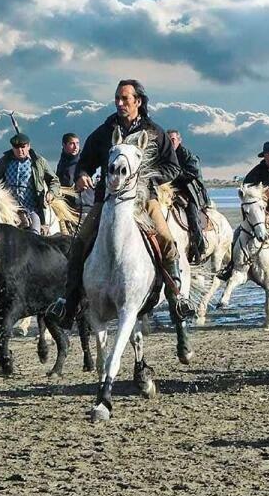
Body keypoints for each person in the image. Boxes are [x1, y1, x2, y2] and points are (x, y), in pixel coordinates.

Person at [48, 79, 194, 327]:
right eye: (117, 98)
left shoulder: (155, 132)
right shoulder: (105, 132)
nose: (119, 103)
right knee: (79, 242)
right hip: (106, 200)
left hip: (145, 200)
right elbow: (85, 162)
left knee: (168, 241)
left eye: (124, 98)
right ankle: (68, 302)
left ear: (137, 101)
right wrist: (82, 174)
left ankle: (176, 299)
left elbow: (172, 167)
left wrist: (146, 178)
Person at [218, 141, 269, 287]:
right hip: (257, 214)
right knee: (237, 234)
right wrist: (258, 196)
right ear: (265, 156)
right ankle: (231, 267)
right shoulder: (256, 171)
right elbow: (245, 188)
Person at [0, 132, 60, 233]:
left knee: (34, 234)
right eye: (16, 147)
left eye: (23, 147)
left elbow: (54, 180)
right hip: (9, 210)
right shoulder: (5, 161)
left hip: (31, 209)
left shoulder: (38, 162)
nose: (20, 150)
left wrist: (51, 193)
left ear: (28, 146)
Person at [168, 129, 210, 263]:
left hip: (189, 191)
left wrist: (174, 174)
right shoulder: (164, 155)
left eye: (173, 140)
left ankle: (200, 247)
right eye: (168, 140)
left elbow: (193, 172)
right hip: (169, 190)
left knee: (192, 215)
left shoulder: (188, 155)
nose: (170, 142)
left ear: (179, 140)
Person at [56, 132, 94, 215]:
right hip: (68, 207)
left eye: (77, 143)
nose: (76, 147)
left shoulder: (84, 161)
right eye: (71, 144)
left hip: (85, 206)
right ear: (64, 145)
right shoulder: (62, 163)